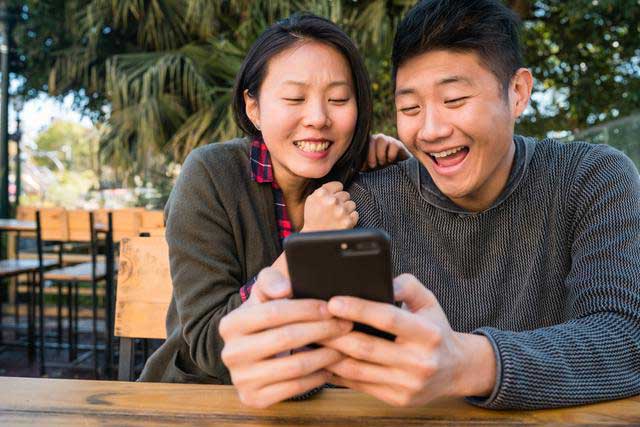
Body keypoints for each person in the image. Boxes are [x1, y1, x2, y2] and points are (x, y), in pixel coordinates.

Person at [219, 0, 640, 410]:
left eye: (455, 100)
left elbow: (625, 337)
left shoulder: (592, 178)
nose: (432, 129)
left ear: (517, 92)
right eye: (410, 108)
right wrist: (281, 357)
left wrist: (469, 363)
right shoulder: (367, 202)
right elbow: (329, 355)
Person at [139, 14, 408, 385]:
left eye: (338, 99)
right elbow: (210, 346)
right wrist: (310, 245)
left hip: (326, 398)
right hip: (205, 399)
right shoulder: (211, 176)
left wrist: (403, 173)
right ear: (254, 108)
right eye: (294, 98)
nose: (317, 117)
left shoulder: (361, 182)